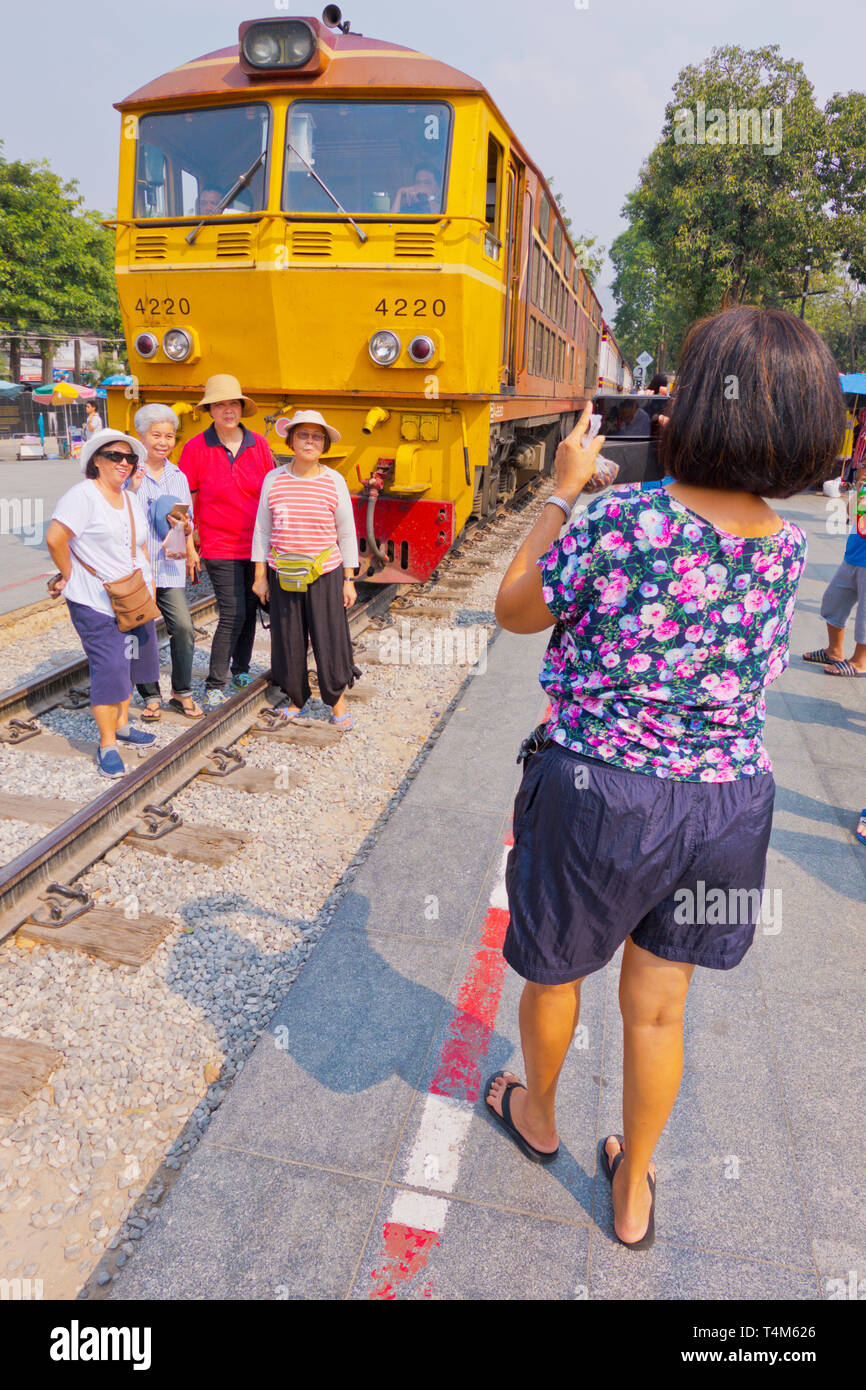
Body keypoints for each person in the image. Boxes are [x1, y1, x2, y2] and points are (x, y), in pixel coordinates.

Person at [488, 306, 844, 1249]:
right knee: (658, 1008)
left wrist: (562, 492)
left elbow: (515, 609)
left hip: (602, 793)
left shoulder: (623, 520)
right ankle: (635, 1186)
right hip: (729, 804)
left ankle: (538, 1116)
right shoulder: (787, 543)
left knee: (557, 971)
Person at [45, 429, 160, 778]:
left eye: (129, 459)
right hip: (93, 599)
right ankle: (107, 743)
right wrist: (67, 574)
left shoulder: (129, 498)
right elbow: (55, 538)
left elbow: (139, 546)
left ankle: (123, 724)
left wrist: (150, 584)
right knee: (109, 666)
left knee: (131, 661)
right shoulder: (83, 496)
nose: (123, 464)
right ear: (97, 459)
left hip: (133, 596)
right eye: (115, 456)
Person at [252, 410, 361, 729]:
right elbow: (261, 529)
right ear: (290, 440)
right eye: (303, 435)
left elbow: (346, 532)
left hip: (326, 573)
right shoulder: (273, 479)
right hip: (283, 572)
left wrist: (349, 579)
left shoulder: (334, 480)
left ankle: (337, 701)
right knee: (288, 638)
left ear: (323, 445)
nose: (309, 441)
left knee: (329, 638)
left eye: (316, 436)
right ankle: (296, 698)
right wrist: (260, 576)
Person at [178, 375, 275, 709]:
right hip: (219, 543)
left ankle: (241, 669)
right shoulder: (195, 447)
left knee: (250, 607)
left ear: (241, 408)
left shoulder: (258, 444)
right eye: (220, 404)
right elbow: (184, 502)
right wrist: (190, 545)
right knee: (232, 611)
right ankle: (215, 682)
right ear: (211, 410)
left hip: (258, 543)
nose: (228, 410)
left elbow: (270, 493)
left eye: (233, 403)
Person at [128, 404, 203, 718]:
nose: (163, 441)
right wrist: (131, 487)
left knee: (184, 628)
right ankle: (149, 695)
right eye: (156, 434)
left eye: (169, 435)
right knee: (140, 630)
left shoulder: (178, 475)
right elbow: (120, 512)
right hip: (138, 567)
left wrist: (190, 542)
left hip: (169, 563)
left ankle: (181, 691)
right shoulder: (129, 472)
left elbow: (187, 517)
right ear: (141, 436)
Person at [803, 458, 866, 676]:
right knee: (833, 600)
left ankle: (860, 662)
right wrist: (859, 492)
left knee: (865, 616)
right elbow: (850, 516)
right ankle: (834, 650)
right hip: (854, 556)